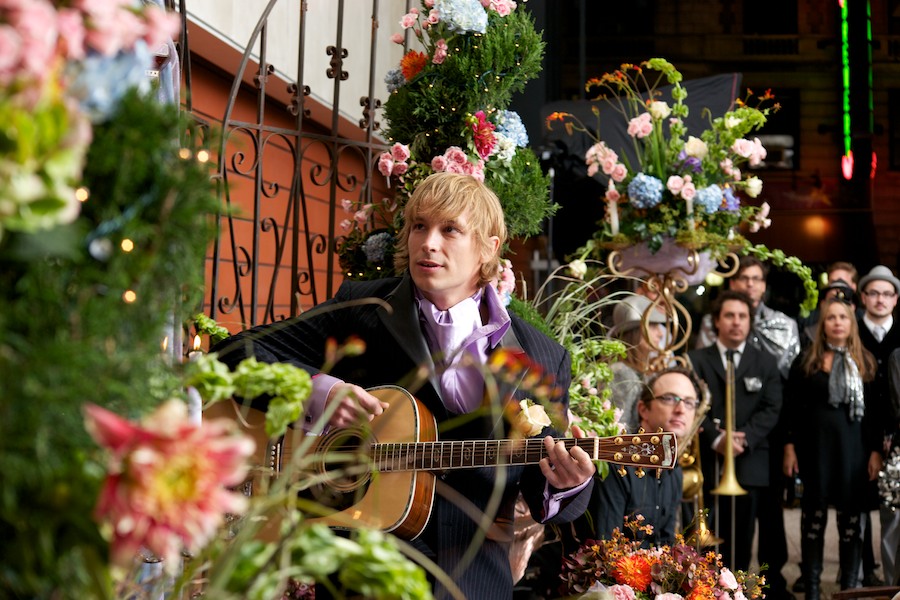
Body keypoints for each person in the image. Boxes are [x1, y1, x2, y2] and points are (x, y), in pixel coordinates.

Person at [211, 172, 597, 599]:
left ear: (488, 247)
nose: (428, 242)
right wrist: (318, 390)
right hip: (360, 582)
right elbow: (235, 352)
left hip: (472, 585)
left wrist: (568, 483)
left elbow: (547, 488)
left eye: (450, 229)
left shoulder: (537, 356)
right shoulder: (363, 308)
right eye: (419, 226)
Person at [782, 297, 879, 600]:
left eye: (843, 317)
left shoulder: (865, 361)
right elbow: (792, 409)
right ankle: (811, 588)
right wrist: (789, 447)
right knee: (814, 517)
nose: (837, 322)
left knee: (851, 520)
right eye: (831, 318)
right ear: (822, 325)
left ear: (852, 324)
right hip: (815, 451)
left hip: (854, 452)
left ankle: (848, 588)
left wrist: (876, 451)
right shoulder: (806, 361)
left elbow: (875, 414)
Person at [688, 290, 783, 574]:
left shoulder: (766, 362)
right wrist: (715, 438)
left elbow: (772, 406)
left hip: (749, 460)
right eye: (729, 315)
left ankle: (735, 589)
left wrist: (745, 437)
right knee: (704, 539)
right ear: (717, 320)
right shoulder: (695, 360)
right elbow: (690, 406)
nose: (736, 322)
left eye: (742, 316)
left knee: (742, 538)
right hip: (707, 459)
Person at [589, 366, 701, 547]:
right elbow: (606, 550)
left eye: (689, 403)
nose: (681, 409)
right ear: (643, 409)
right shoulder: (617, 464)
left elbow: (666, 543)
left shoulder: (675, 471)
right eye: (670, 398)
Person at [856, 265, 900, 587]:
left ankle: (890, 581)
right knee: (856, 508)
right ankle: (856, 575)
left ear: (896, 299)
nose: (880, 299)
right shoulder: (851, 331)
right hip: (859, 432)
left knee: (893, 511)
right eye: (874, 293)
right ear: (863, 297)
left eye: (887, 293)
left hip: (895, 436)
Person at [696, 256, 800, 380]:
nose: (750, 284)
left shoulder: (785, 325)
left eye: (756, 279)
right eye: (744, 278)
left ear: (764, 285)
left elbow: (791, 370)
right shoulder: (713, 320)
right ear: (732, 284)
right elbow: (704, 364)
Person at [607, 295, 667, 431]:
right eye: (652, 326)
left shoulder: (645, 369)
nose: (660, 333)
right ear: (634, 331)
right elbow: (619, 428)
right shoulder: (621, 371)